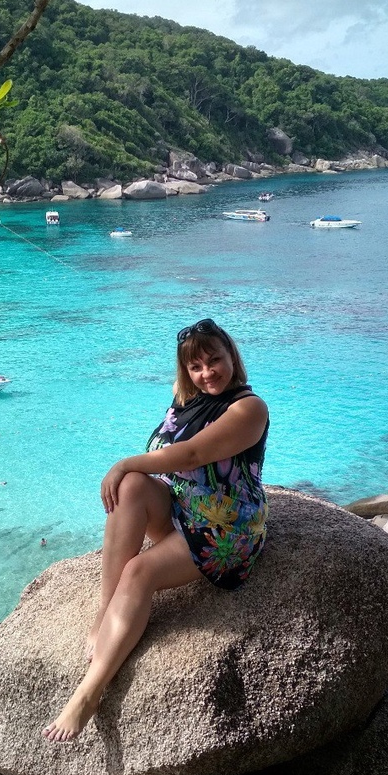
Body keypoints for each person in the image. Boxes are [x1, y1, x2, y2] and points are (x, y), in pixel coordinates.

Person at [43, 318, 269, 742]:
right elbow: (165, 459)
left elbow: (192, 455)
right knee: (131, 486)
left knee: (139, 571)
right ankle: (106, 610)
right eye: (196, 367)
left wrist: (122, 462)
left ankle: (90, 692)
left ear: (231, 357)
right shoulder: (187, 401)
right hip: (183, 510)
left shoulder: (248, 408)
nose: (207, 373)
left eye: (214, 361)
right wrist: (129, 472)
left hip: (224, 530)